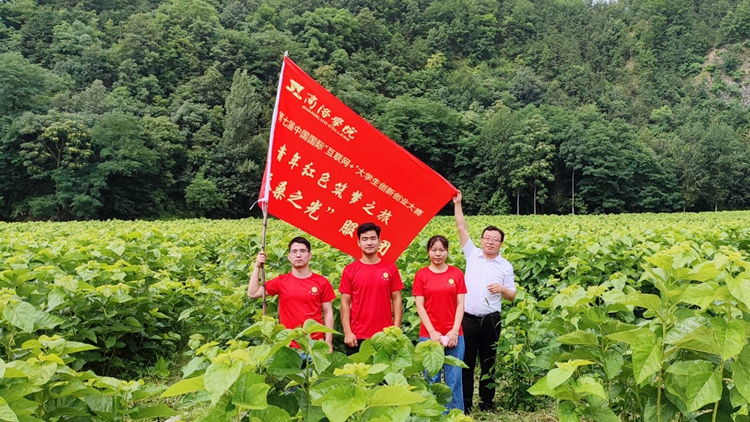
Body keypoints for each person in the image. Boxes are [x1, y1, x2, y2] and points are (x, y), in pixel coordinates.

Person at [453, 191, 516, 413]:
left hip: (491, 320)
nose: (490, 242)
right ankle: (465, 404)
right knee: (466, 362)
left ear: (501, 243)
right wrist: (458, 204)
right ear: (481, 240)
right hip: (468, 318)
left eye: (495, 239)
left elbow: (512, 295)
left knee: (489, 362)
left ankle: (487, 403)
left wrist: (502, 289)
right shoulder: (472, 254)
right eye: (487, 238)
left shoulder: (505, 266)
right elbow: (461, 228)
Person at [247, 236, 335, 352]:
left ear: (309, 255)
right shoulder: (280, 281)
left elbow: (328, 312)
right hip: (288, 345)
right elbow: (252, 293)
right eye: (294, 251)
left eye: (303, 251)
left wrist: (328, 341)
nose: (298, 255)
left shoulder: (321, 282)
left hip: (315, 344)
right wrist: (257, 266)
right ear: (289, 257)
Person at [413, 235, 467, 412]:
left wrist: (454, 331)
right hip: (428, 334)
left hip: (454, 334)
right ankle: (433, 414)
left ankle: (455, 414)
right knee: (432, 377)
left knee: (454, 377)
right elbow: (420, 306)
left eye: (442, 250)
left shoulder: (456, 274)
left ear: (447, 252)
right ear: (428, 252)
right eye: (434, 250)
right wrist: (432, 332)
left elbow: (461, 304)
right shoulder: (421, 275)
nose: (438, 254)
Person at [339, 222, 404, 355]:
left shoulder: (390, 268)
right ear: (359, 243)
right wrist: (347, 332)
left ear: (379, 242)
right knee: (357, 368)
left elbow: (397, 299)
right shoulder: (350, 270)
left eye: (373, 238)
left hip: (385, 335)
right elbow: (345, 303)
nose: (369, 242)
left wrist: (396, 329)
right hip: (357, 335)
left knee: (386, 368)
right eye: (365, 239)